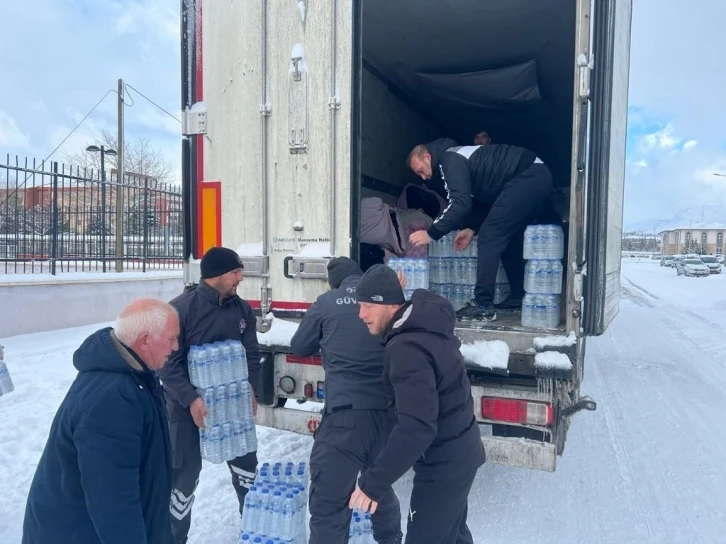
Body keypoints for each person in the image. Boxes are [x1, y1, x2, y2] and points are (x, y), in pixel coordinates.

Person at [22, 298, 180, 544]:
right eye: (171, 338)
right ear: (145, 340)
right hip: (77, 533)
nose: (175, 346)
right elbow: (113, 498)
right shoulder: (113, 398)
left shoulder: (134, 376)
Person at [350, 264, 486, 544]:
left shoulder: (407, 349)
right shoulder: (424, 326)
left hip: (443, 465)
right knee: (454, 535)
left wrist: (373, 483)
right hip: (460, 454)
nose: (360, 315)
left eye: (366, 306)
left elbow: (417, 427)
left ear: (388, 304)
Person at [290, 257, 403, 544]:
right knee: (377, 485)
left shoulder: (327, 302)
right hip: (386, 418)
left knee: (328, 503)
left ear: (334, 282)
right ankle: (390, 540)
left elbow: (300, 345)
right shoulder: (385, 303)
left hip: (344, 420)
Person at [159, 246, 261, 543]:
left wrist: (250, 388)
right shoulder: (180, 310)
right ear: (215, 275)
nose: (240, 278)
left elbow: (250, 353)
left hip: (231, 405)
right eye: (235, 272)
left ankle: (255, 528)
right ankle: (173, 538)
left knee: (247, 467)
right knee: (184, 477)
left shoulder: (241, 309)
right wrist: (191, 398)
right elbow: (167, 363)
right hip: (185, 406)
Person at [407, 138, 553, 321]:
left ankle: (482, 304)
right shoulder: (456, 159)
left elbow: (460, 203)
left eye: (421, 170)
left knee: (490, 236)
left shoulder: (449, 159)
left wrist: (431, 233)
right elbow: (489, 200)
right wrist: (472, 228)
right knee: (505, 237)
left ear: (427, 157)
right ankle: (518, 295)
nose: (423, 177)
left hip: (528, 176)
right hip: (534, 176)